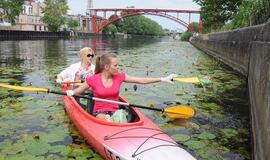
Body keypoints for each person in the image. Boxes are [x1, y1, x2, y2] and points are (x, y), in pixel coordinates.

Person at [66, 53, 177, 122]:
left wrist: (163, 79)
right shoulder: (93, 79)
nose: (118, 67)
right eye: (116, 65)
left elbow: (141, 80)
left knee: (118, 119)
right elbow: (78, 92)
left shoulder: (119, 77)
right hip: (100, 113)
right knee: (108, 120)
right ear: (106, 67)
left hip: (116, 112)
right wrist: (70, 92)